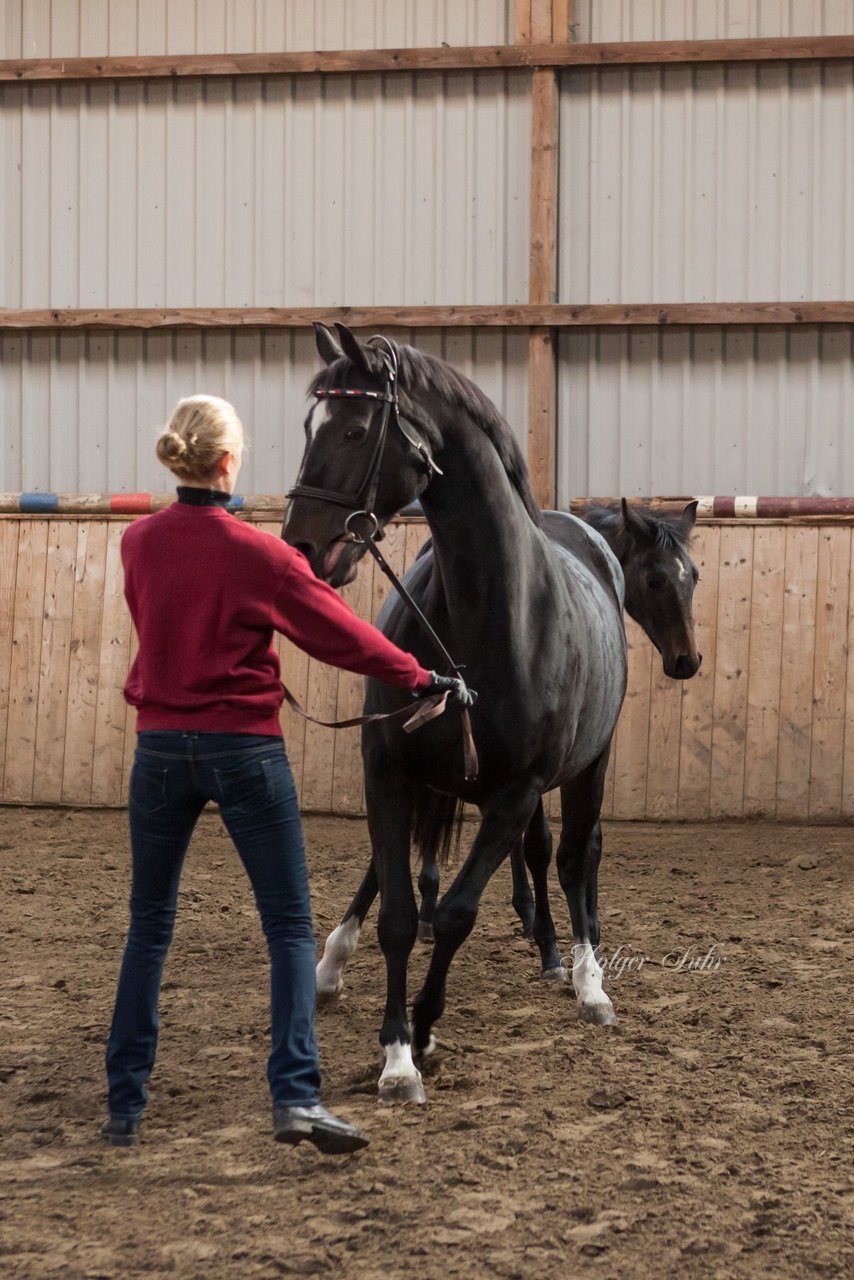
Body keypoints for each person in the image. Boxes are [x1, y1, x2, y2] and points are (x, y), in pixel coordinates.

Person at [102, 394, 472, 1153]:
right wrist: (422, 676)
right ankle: (296, 1097)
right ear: (231, 462)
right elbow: (344, 638)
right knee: (286, 929)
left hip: (160, 749)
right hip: (242, 751)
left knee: (148, 928)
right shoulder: (259, 555)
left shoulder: (137, 542)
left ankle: (125, 1103)